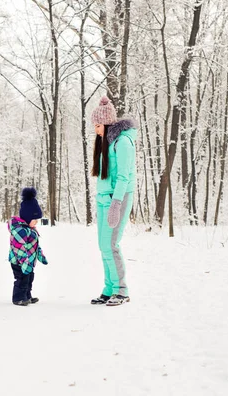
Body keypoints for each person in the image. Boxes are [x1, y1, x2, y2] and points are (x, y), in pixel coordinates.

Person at [90, 96, 137, 306]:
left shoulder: (123, 143)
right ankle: (109, 289)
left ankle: (121, 289)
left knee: (111, 245)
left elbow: (123, 177)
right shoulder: (105, 143)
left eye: (98, 125)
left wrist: (116, 204)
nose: (96, 130)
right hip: (103, 199)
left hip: (117, 198)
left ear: (108, 124)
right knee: (103, 246)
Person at [7, 188, 48, 306]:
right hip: (19, 261)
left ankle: (27, 296)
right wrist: (24, 262)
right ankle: (18, 298)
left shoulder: (30, 230)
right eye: (35, 219)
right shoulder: (20, 230)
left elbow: (35, 245)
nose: (36, 222)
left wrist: (40, 256)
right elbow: (19, 248)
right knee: (21, 279)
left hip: (28, 261)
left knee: (29, 277)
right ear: (28, 217)